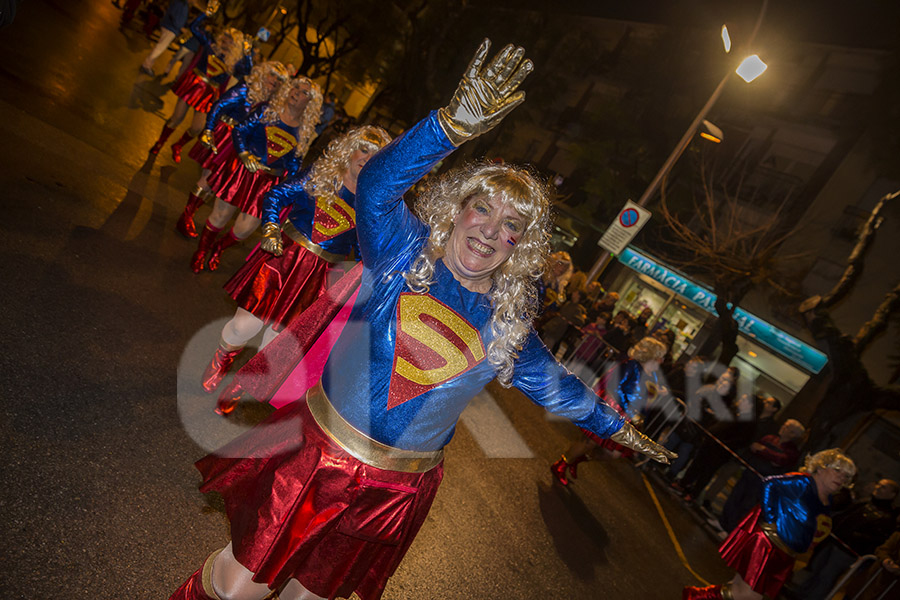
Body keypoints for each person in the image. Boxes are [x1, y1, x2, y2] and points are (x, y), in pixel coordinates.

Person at [167, 39, 675, 600]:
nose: (490, 229)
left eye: (512, 226)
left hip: (394, 488)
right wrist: (450, 126)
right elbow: (379, 184)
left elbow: (560, 389)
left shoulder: (507, 325)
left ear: (521, 247)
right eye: (482, 208)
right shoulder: (403, 253)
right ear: (456, 209)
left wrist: (620, 429)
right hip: (313, 453)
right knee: (238, 587)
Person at [200, 126, 392, 411]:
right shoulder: (322, 174)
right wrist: (270, 229)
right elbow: (276, 196)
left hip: (317, 277)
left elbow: (366, 250)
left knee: (276, 342)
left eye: (375, 155)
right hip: (282, 259)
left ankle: (241, 383)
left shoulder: (372, 204)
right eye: (363, 149)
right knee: (243, 326)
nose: (366, 158)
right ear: (350, 149)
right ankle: (222, 357)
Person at [683, 448, 857, 600]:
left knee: (739, 590)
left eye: (846, 476)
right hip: (767, 544)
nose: (841, 478)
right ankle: (694, 596)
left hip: (785, 552)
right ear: (821, 467)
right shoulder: (802, 482)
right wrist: (773, 519)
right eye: (838, 471)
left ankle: (695, 596)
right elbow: (770, 484)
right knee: (749, 595)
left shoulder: (828, 499)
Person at [190, 76, 322, 273]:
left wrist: (289, 190)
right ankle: (201, 251)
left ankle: (219, 247)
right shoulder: (267, 110)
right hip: (242, 171)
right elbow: (240, 130)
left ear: (310, 103)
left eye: (304, 92)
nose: (296, 93)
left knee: (244, 230)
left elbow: (294, 163)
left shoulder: (305, 132)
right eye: (295, 87)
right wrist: (244, 153)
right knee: (220, 215)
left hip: (267, 182)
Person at [175, 60, 290, 238]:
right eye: (272, 75)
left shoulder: (273, 103)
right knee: (208, 178)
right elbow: (219, 105)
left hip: (244, 146)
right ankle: (186, 215)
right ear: (262, 72)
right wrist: (208, 129)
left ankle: (189, 214)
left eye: (280, 80)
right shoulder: (246, 88)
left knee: (218, 184)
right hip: (225, 138)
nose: (274, 81)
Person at [550, 336, 670, 485]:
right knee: (588, 442)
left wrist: (657, 392)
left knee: (612, 454)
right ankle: (561, 464)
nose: (662, 361)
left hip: (626, 417)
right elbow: (614, 387)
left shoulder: (653, 375)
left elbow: (645, 394)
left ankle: (577, 459)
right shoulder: (631, 365)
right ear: (652, 356)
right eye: (661, 357)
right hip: (611, 410)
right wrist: (630, 411)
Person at [148, 9, 251, 163]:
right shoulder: (210, 44)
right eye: (227, 37)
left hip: (209, 93)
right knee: (176, 118)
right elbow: (194, 28)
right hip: (194, 84)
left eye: (232, 40)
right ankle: (160, 142)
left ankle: (178, 145)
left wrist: (248, 53)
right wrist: (206, 14)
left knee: (197, 128)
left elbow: (248, 71)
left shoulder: (234, 61)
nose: (227, 41)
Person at [788, 477, 899, 600]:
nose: (877, 487)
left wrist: (854, 536)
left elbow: (877, 540)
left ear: (892, 494)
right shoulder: (866, 502)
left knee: (826, 576)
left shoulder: (887, 517)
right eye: (878, 484)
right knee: (815, 569)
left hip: (847, 551)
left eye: (883, 487)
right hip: (833, 541)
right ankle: (799, 595)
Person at [719, 419, 804, 533]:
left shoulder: (792, 451)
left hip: (762, 482)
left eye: (787, 427)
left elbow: (780, 460)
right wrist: (767, 453)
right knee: (735, 497)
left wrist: (764, 451)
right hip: (750, 472)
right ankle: (723, 522)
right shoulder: (770, 438)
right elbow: (755, 447)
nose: (783, 427)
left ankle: (732, 530)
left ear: (793, 434)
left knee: (747, 505)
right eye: (784, 425)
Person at [139, 0, 192, 76]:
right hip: (171, 28)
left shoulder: (183, 3)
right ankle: (146, 65)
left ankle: (148, 65)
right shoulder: (181, 3)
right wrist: (181, 27)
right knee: (159, 48)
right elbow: (173, 15)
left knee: (159, 48)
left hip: (170, 27)